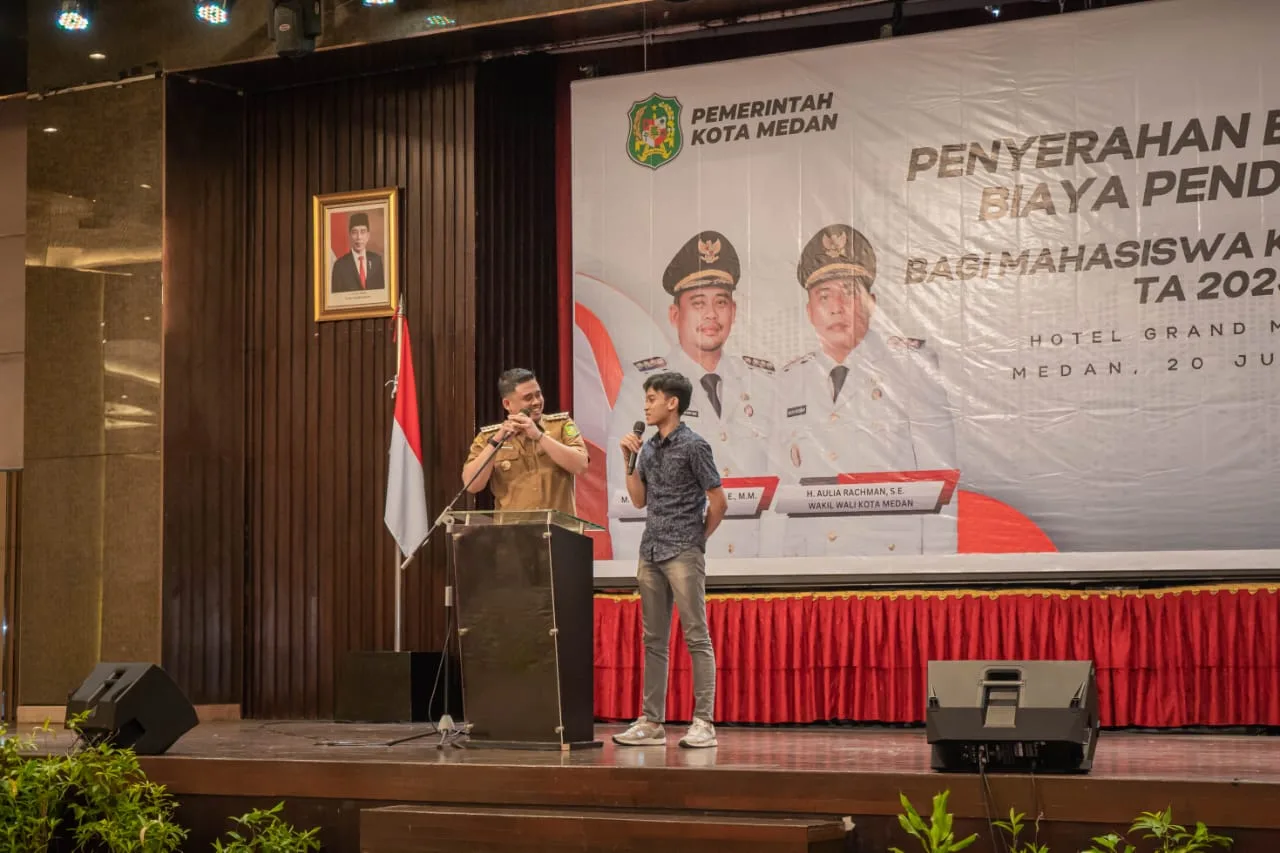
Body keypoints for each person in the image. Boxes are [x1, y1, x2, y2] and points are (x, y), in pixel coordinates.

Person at [771, 224, 958, 556]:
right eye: (823, 296)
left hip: (887, 560)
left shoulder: (911, 367)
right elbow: (780, 486)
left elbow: (940, 480)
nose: (837, 306)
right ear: (809, 311)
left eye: (849, 292)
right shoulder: (789, 380)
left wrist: (937, 569)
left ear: (872, 303)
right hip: (810, 561)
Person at [607, 230, 776, 559]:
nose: (711, 314)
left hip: (751, 563)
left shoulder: (763, 382)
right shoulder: (644, 385)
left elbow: (779, 486)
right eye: (698, 303)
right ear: (675, 315)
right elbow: (625, 492)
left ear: (734, 312)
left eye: (721, 302)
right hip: (678, 559)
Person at [611, 371, 726, 749]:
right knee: (654, 639)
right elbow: (639, 499)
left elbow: (718, 502)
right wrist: (629, 460)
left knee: (696, 635)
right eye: (645, 398)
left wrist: (695, 540)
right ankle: (651, 721)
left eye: (652, 398)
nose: (646, 404)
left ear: (672, 402)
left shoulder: (694, 446)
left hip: (683, 550)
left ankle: (704, 721)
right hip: (651, 551)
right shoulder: (648, 448)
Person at [462, 368, 589, 514]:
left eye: (538, 395)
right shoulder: (489, 437)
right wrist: (496, 441)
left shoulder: (561, 425)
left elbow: (581, 466)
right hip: (512, 533)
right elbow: (471, 485)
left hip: (559, 531)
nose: (536, 402)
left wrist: (539, 436)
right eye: (528, 398)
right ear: (507, 404)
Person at [331, 212, 385, 292]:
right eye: (354, 232)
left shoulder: (376, 260)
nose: (359, 237)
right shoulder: (339, 265)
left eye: (362, 232)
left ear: (368, 235)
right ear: (349, 235)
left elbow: (382, 293)